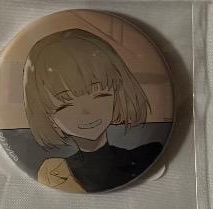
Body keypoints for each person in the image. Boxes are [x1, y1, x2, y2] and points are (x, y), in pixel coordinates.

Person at [23, 27, 164, 193]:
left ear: (117, 93)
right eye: (65, 104)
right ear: (47, 115)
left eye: (100, 95)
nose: (86, 111)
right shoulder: (54, 172)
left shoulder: (147, 155)